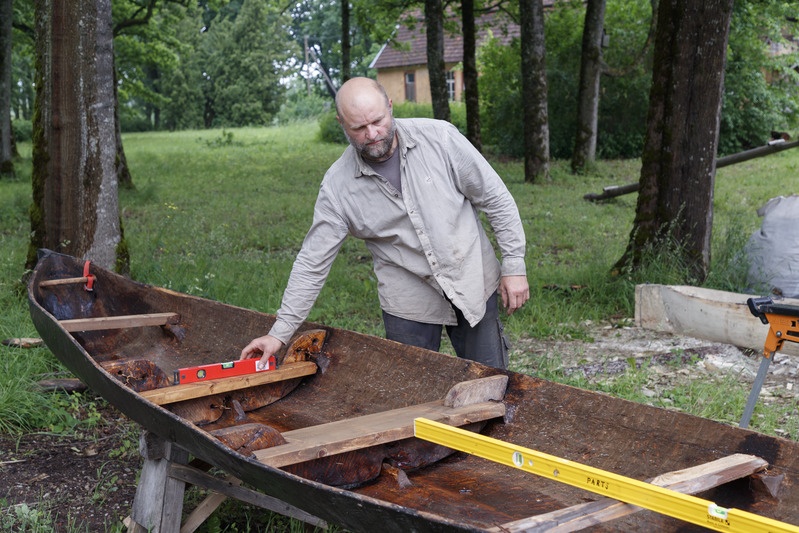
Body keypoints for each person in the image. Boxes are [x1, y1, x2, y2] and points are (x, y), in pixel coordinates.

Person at [240, 77, 529, 370]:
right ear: (342, 124)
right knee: (411, 393)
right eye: (359, 128)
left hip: (470, 275)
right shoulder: (338, 186)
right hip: (407, 297)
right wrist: (280, 333)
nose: (373, 133)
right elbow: (313, 261)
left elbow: (496, 198)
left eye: (378, 121)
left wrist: (514, 265)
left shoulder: (440, 138)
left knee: (489, 380)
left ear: (389, 106)